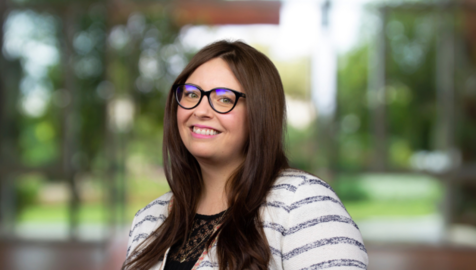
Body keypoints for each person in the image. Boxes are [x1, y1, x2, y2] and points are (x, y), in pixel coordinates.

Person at [123, 40, 368, 270]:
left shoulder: (303, 203)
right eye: (191, 94)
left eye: (224, 98)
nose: (201, 110)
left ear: (258, 114)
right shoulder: (149, 219)